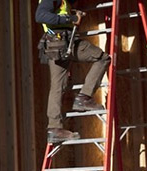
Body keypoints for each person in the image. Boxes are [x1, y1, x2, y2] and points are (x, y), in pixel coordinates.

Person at [38, 0, 110, 143]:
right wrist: (71, 19)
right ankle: (84, 98)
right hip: (63, 42)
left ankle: (54, 129)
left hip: (54, 46)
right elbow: (41, 16)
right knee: (102, 58)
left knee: (57, 86)